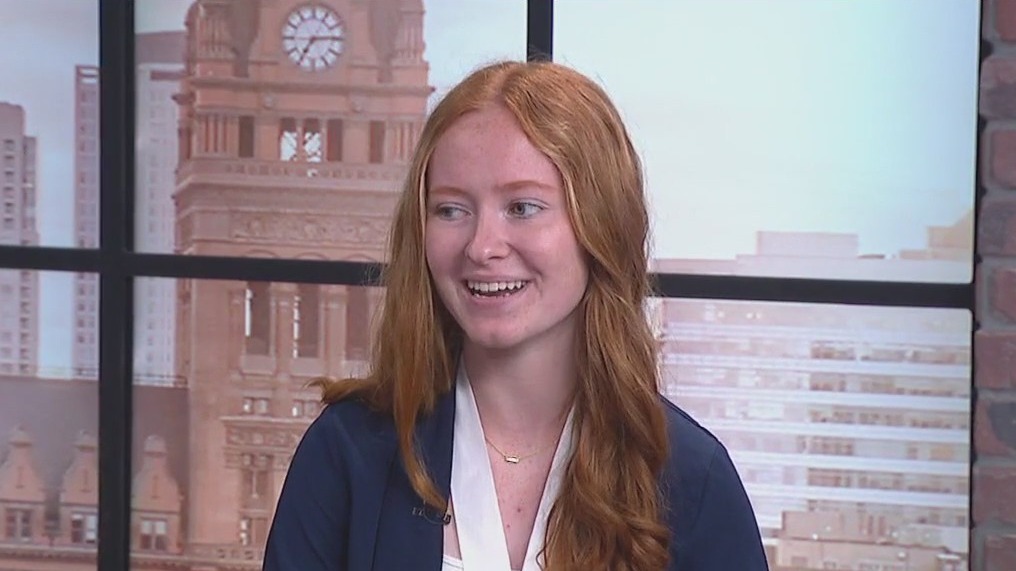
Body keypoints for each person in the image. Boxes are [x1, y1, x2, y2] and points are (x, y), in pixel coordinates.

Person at [263, 60, 768, 571]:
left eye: (523, 207)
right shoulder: (347, 452)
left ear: (601, 225)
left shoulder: (691, 477)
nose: (482, 247)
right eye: (451, 209)